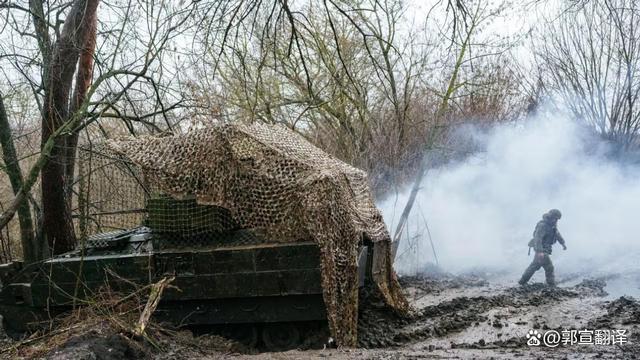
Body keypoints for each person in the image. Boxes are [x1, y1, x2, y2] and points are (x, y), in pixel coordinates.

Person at [518, 209, 567, 286]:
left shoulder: (552, 225)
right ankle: (551, 284)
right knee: (549, 267)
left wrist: (563, 243)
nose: (556, 220)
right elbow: (538, 238)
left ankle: (522, 282)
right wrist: (540, 251)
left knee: (534, 266)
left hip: (545, 249)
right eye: (555, 218)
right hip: (541, 249)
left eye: (557, 219)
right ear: (551, 216)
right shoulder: (543, 225)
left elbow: (557, 234)